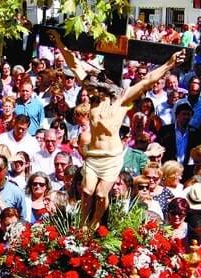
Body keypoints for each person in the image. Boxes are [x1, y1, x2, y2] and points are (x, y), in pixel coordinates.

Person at [48, 33, 186, 225]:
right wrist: (60, 43)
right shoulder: (94, 101)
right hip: (94, 154)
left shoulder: (122, 100)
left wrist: (170, 64)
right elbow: (74, 65)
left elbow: (147, 80)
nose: (90, 90)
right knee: (87, 192)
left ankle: (95, 223)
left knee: (101, 195)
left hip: (112, 156)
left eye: (95, 87)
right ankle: (82, 226)